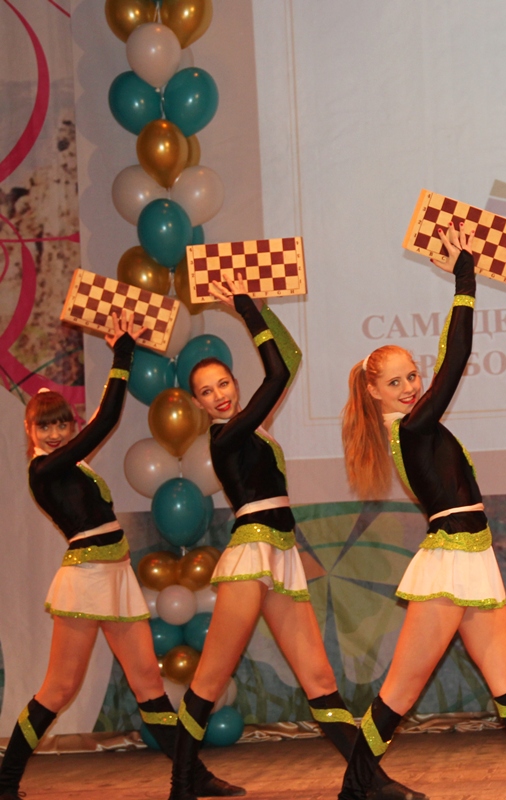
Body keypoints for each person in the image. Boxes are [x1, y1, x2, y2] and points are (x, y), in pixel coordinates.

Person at [337, 225, 506, 800]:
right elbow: (454, 360)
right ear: (374, 393)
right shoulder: (410, 429)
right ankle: (353, 791)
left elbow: (443, 365)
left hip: (472, 561)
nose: (410, 386)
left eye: (412, 376)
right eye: (395, 381)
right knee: (399, 693)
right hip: (450, 566)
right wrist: (464, 280)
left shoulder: (415, 426)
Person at [174, 284, 422, 800]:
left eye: (224, 383)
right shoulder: (226, 436)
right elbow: (279, 375)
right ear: (198, 404)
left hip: (280, 553)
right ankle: (183, 782)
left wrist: (263, 312)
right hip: (250, 556)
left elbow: (289, 359)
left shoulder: (252, 428)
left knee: (319, 679)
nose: (220, 395)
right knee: (211, 677)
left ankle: (368, 781)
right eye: (207, 392)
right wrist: (246, 310)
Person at [7, 314, 240, 800]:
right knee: (59, 688)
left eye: (61, 423)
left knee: (149, 683)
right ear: (30, 431)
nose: (55, 432)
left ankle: (192, 776)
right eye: (44, 426)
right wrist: (122, 356)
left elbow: (96, 431)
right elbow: (106, 420)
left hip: (115, 573)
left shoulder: (72, 464)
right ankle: (5, 780)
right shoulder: (45, 469)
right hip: (86, 578)